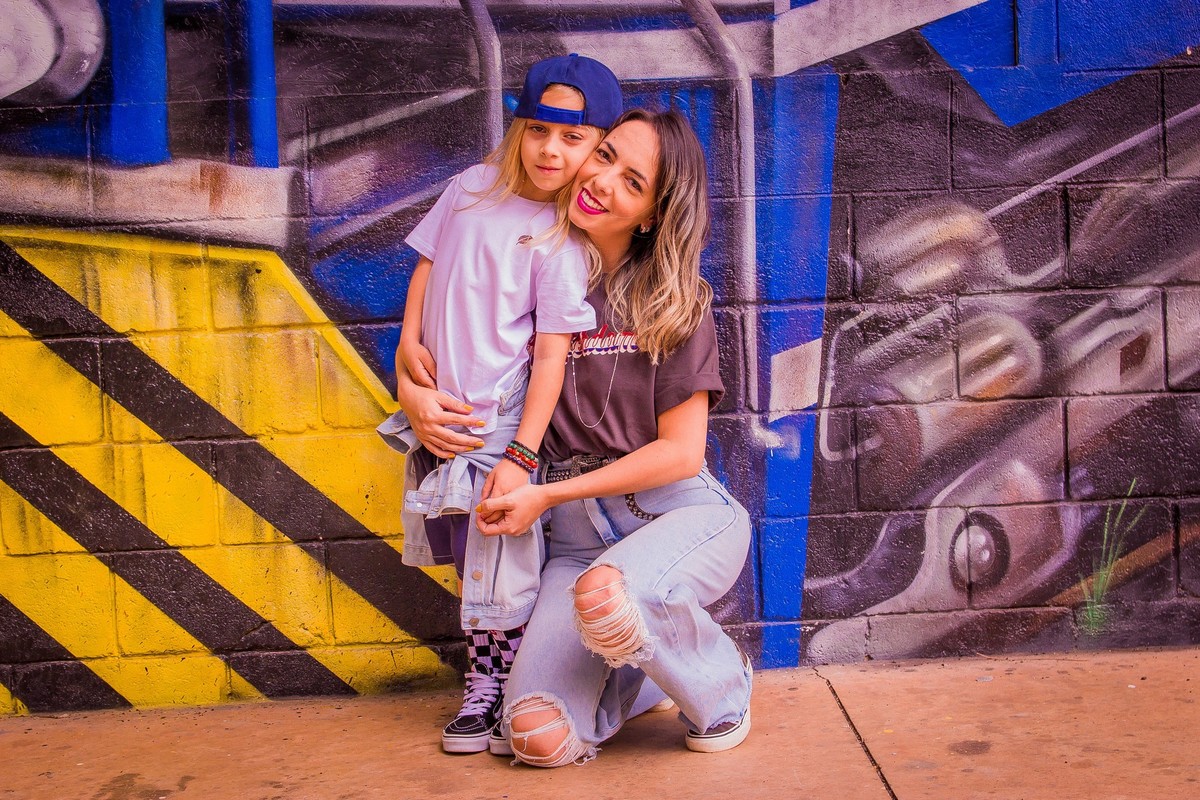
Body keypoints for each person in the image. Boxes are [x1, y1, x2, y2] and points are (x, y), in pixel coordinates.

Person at [467, 108, 754, 765]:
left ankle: (723, 688)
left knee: (612, 592)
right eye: (605, 156)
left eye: (633, 181)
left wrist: (543, 495)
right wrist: (415, 380)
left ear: (651, 215)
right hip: (576, 544)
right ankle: (642, 669)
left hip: (677, 514)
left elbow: (682, 452)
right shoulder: (525, 275)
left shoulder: (675, 301)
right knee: (534, 736)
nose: (602, 181)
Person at [378, 54, 623, 755]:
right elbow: (427, 267)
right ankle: (505, 681)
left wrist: (521, 452)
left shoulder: (562, 239)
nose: (551, 150)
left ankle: (494, 688)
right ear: (518, 128)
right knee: (473, 563)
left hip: (499, 421)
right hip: (443, 412)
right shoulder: (470, 188)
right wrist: (406, 349)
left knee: (501, 567)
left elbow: (550, 358)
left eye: (573, 138)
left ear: (597, 147)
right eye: (538, 130)